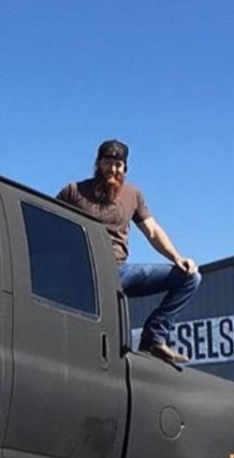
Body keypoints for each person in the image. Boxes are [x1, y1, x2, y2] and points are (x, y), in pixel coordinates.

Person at [56, 139, 200, 365]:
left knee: (190, 278)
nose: (113, 169)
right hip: (85, 275)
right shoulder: (74, 192)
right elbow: (52, 228)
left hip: (120, 273)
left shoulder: (133, 194)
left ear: (125, 168)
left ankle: (154, 337)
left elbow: (152, 231)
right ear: (98, 164)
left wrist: (177, 258)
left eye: (118, 165)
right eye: (108, 163)